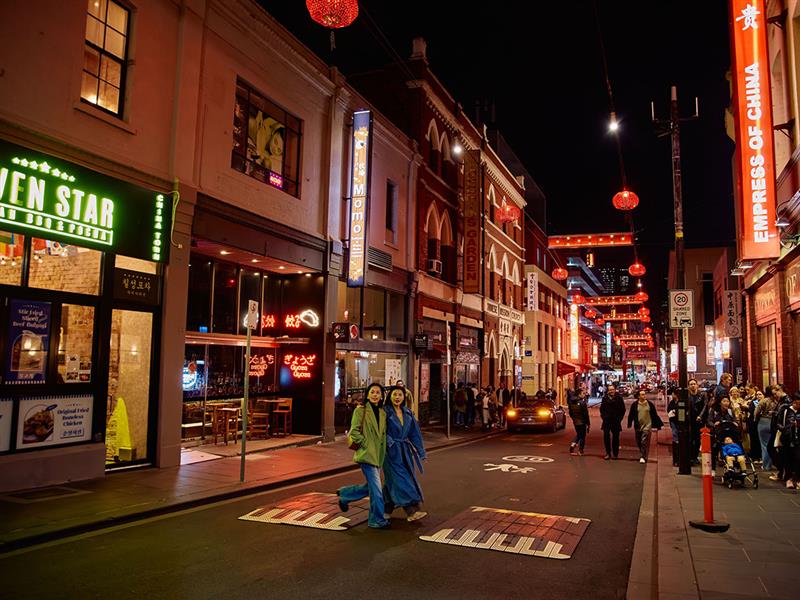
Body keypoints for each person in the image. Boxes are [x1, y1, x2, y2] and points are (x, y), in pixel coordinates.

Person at [337, 383, 390, 529]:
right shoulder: (360, 411)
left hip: (377, 455)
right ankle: (376, 519)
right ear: (367, 395)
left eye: (378, 392)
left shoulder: (382, 413)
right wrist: (365, 444)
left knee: (372, 487)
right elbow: (353, 431)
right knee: (377, 490)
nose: (375, 394)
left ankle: (346, 495)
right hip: (367, 455)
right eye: (372, 392)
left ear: (381, 396)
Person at [382, 387, 427, 522]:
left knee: (393, 481)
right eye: (394, 394)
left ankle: (385, 510)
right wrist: (389, 442)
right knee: (402, 480)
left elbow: (415, 434)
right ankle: (412, 511)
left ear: (404, 397)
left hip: (405, 452)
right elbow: (380, 431)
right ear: (390, 396)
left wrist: (421, 452)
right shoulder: (385, 412)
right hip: (390, 453)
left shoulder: (408, 413)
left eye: (400, 395)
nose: (397, 397)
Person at [628, 390, 664, 463]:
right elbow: (631, 414)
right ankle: (642, 452)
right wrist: (629, 423)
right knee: (638, 441)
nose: (644, 396)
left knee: (643, 441)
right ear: (638, 396)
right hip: (638, 425)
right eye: (642, 395)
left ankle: (643, 456)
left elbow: (654, 415)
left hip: (647, 425)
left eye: (644, 394)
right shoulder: (635, 405)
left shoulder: (649, 404)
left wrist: (658, 425)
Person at [775, 392, 800, 488]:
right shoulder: (785, 410)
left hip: (798, 439)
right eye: (798, 403)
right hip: (787, 439)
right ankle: (788, 479)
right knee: (788, 459)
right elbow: (778, 423)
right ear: (794, 402)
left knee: (798, 458)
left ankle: (797, 479)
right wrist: (786, 429)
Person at [754, 388, 778, 471]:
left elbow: (756, 412)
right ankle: (770, 464)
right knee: (771, 445)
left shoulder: (763, 401)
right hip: (773, 423)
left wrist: (756, 420)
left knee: (764, 445)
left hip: (763, 421)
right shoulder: (776, 402)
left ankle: (766, 465)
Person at [600, 384, 626, 460]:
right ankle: (608, 453)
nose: (611, 391)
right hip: (607, 421)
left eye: (612, 389)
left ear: (615, 390)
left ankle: (615, 453)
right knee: (606, 437)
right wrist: (604, 417)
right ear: (608, 391)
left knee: (616, 438)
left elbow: (623, 410)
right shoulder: (605, 398)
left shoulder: (619, 398)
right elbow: (602, 409)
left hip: (616, 421)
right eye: (610, 390)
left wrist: (619, 418)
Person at [688, 378, 707, 464]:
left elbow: (705, 406)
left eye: (694, 384)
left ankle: (695, 457)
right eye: (691, 384)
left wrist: (700, 416)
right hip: (690, 420)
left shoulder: (702, 394)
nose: (693, 385)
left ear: (697, 385)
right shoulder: (687, 395)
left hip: (699, 420)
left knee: (697, 439)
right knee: (690, 439)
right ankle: (691, 457)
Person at [568, 388, 590, 456]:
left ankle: (573, 445)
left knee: (579, 434)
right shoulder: (582, 402)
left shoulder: (571, 402)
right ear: (579, 394)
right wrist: (588, 423)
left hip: (575, 421)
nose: (584, 395)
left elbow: (570, 412)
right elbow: (585, 414)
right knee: (582, 436)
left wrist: (574, 418)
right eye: (583, 393)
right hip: (582, 422)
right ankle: (580, 450)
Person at [667, 388, 680, 467]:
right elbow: (668, 409)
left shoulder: (681, 401)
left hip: (680, 422)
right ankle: (676, 442)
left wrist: (676, 411)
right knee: (675, 434)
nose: (672, 395)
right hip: (673, 421)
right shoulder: (672, 402)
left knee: (677, 434)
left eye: (673, 394)